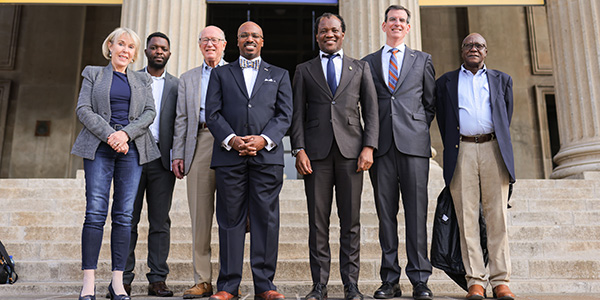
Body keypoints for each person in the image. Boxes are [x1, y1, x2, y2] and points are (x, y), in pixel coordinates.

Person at [290, 13, 378, 300]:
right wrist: (298, 148)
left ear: (343, 34)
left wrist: (369, 147)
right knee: (318, 223)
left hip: (352, 154)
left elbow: (371, 111)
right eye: (323, 30)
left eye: (334, 30)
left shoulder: (360, 68)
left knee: (350, 221)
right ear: (317, 36)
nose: (329, 34)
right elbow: (297, 115)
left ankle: (351, 285)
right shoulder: (304, 70)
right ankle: (319, 286)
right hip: (315, 156)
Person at [204, 21, 292, 300]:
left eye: (255, 36)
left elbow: (284, 115)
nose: (249, 39)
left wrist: (263, 139)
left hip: (267, 159)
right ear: (237, 41)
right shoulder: (221, 74)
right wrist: (232, 139)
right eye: (244, 35)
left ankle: (265, 285)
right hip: (230, 158)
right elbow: (213, 113)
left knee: (266, 220)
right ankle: (228, 287)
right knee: (230, 221)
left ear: (262, 41)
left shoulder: (279, 74)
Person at [71, 27, 159, 300]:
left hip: (131, 150)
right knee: (95, 212)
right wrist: (111, 135)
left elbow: (149, 113)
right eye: (120, 44)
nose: (125, 50)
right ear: (109, 46)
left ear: (134, 54)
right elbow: (83, 109)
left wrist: (125, 134)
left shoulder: (143, 79)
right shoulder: (93, 73)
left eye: (130, 47)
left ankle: (117, 282)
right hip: (99, 147)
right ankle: (89, 282)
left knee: (124, 216)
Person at [361, 5, 435, 300]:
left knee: (416, 215)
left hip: (414, 147)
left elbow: (430, 103)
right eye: (392, 19)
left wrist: (415, 127)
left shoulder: (423, 60)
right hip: (382, 148)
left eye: (402, 20)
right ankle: (389, 280)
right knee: (386, 216)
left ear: (408, 26)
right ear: (384, 25)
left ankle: (420, 279)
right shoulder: (367, 63)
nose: (397, 24)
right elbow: (366, 105)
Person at [435, 33, 515, 300]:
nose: (473, 49)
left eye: (478, 45)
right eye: (468, 45)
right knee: (466, 218)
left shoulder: (502, 80)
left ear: (486, 51)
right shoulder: (446, 82)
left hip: (494, 150)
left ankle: (501, 281)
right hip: (462, 150)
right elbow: (444, 121)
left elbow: (506, 116)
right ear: (461, 51)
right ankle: (475, 282)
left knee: (497, 218)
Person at [171, 25, 227, 299]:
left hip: (231, 144)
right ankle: (203, 280)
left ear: (224, 44)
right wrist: (178, 154)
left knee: (231, 217)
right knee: (200, 217)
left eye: (215, 40)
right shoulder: (188, 78)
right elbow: (181, 118)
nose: (210, 44)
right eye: (205, 40)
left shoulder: (235, 71)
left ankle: (229, 281)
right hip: (200, 141)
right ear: (199, 44)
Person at [122, 32, 179, 298]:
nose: (159, 51)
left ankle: (158, 279)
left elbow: (182, 125)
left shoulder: (178, 86)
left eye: (163, 48)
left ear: (169, 53)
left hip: (162, 160)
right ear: (145, 51)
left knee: (160, 221)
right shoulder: (130, 79)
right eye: (154, 47)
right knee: (127, 219)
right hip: (132, 157)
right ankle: (123, 278)